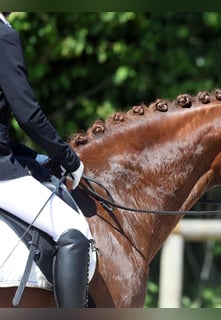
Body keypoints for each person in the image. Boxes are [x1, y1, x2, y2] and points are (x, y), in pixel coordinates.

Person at [0, 12, 92, 308]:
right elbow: (28, 115)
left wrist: (33, 157)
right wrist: (68, 158)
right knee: (73, 229)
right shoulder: (4, 36)